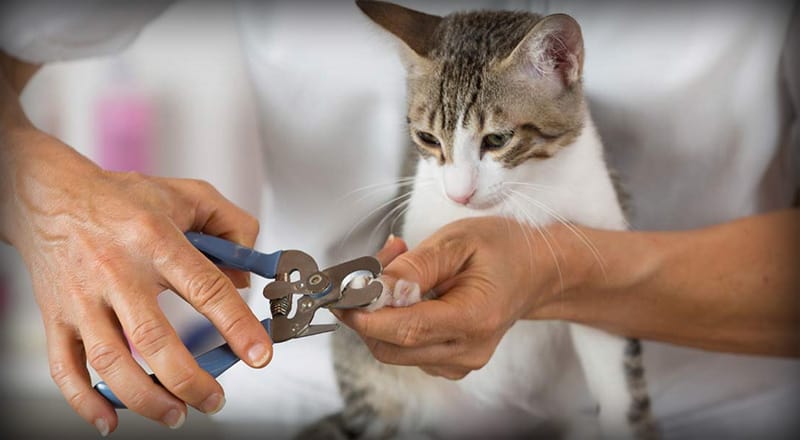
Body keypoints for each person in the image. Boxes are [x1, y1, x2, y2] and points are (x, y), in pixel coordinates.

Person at [1, 1, 798, 439]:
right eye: (429, 146)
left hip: (711, 405)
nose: (455, 188)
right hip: (349, 405)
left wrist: (560, 272)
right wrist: (46, 198)